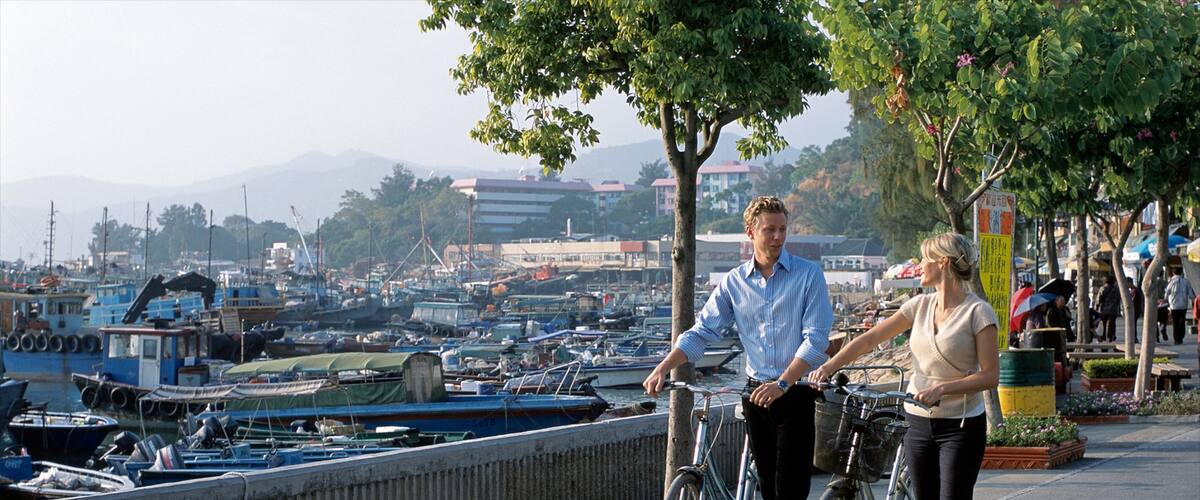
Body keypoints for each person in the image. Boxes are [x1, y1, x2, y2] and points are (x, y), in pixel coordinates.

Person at [643, 196, 832, 500]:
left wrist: (783, 383)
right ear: (750, 232)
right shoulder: (734, 282)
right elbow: (703, 331)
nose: (778, 237)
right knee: (768, 487)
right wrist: (662, 368)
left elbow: (817, 340)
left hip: (794, 392)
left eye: (782, 229)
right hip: (755, 395)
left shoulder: (808, 275)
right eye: (769, 230)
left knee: (791, 488)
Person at [810, 232, 1000, 500]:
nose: (920, 264)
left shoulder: (978, 312)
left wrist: (943, 389)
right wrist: (828, 367)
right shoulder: (919, 305)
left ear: (943, 262)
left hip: (961, 425)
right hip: (917, 421)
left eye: (925, 259)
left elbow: (991, 376)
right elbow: (870, 339)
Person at [1164, 267, 1196, 345]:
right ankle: (1181, 337)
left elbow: (1167, 292)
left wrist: (1165, 300)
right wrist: (1194, 299)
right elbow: (1191, 294)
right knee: (1182, 321)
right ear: (1181, 273)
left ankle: (1176, 339)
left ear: (1173, 273)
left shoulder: (1171, 282)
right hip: (1183, 305)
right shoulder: (1186, 282)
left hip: (1174, 306)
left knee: (1175, 322)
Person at [1098, 275, 1121, 342]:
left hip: (1104, 309)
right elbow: (1118, 299)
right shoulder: (1116, 289)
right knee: (1112, 323)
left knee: (1103, 323)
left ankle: (1103, 336)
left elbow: (1099, 299)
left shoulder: (1102, 288)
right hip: (1113, 309)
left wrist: (1097, 306)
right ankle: (1110, 336)